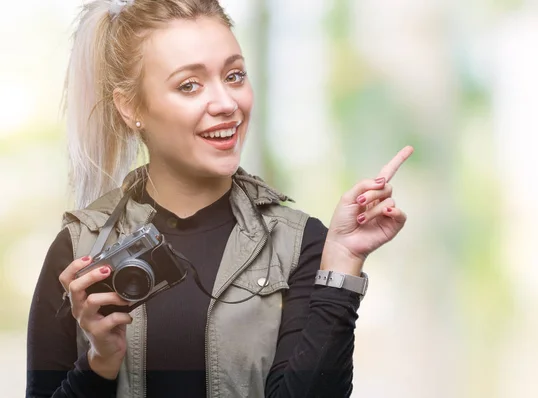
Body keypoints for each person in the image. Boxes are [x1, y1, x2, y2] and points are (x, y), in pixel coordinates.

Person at [26, 0, 413, 397]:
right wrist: (100, 362)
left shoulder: (301, 245)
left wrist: (344, 262)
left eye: (234, 75)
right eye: (189, 85)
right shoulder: (80, 249)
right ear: (130, 107)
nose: (227, 104)